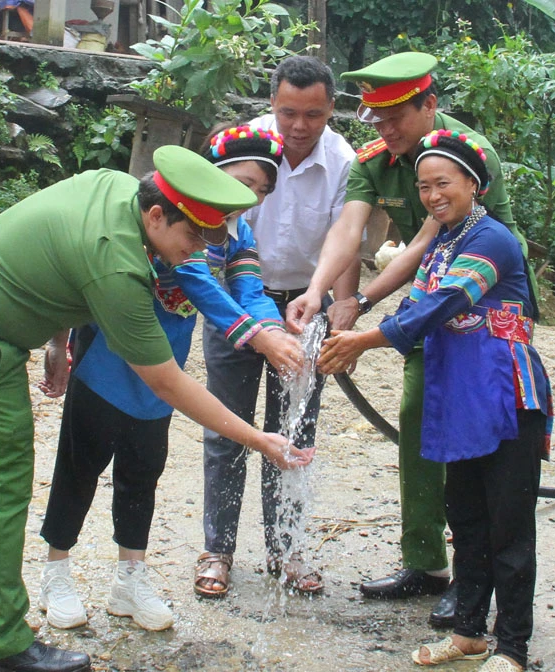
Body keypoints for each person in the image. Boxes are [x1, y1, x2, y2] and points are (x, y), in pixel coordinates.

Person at [0, 146, 313, 672]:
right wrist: (259, 439)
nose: (196, 252)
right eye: (192, 236)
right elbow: (167, 382)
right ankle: (4, 641)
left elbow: (55, 256)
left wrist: (57, 338)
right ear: (155, 216)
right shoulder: (120, 268)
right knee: (2, 477)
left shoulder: (117, 185)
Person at [285, 51, 535, 627]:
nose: (386, 129)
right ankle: (426, 563)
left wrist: (362, 309)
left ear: (430, 106)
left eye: (397, 116)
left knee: (478, 439)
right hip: (430, 297)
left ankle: (482, 582)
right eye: (376, 118)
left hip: (485, 314)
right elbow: (350, 228)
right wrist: (323, 291)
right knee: (420, 418)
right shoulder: (377, 157)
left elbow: (428, 242)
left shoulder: (462, 157)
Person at [37, 127, 304, 631]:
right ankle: (56, 571)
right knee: (80, 465)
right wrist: (260, 340)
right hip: (106, 361)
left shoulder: (237, 233)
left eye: (258, 193)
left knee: (143, 471)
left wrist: (273, 329)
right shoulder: (174, 217)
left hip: (163, 368)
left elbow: (248, 288)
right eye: (240, 186)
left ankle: (130, 579)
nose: (241, 205)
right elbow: (199, 283)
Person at [318, 129, 552, 672]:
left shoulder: (492, 239)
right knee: (466, 516)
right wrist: (355, 330)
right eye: (423, 186)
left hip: (506, 394)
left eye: (442, 183)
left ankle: (513, 648)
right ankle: (469, 633)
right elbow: (419, 308)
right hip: (458, 393)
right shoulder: (443, 243)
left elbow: (442, 305)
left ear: (473, 183)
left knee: (510, 526)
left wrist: (364, 339)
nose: (431, 195)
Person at [196, 55, 356, 597]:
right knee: (226, 425)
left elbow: (346, 240)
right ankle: (217, 550)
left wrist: (341, 305)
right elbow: (216, 241)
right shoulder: (245, 148)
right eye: (288, 112)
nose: (298, 127)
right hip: (235, 301)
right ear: (272, 105)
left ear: (332, 109)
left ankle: (285, 548)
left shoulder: (344, 161)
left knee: (294, 432)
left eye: (313, 114)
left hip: (304, 307)